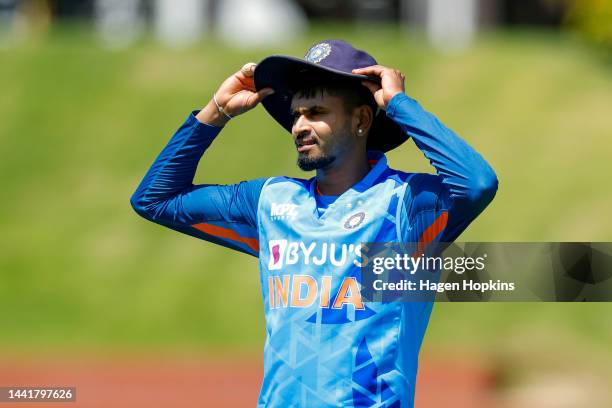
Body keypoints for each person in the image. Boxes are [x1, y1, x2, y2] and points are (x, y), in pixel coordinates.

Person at [131, 40, 498, 407]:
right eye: (296, 114)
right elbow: (155, 199)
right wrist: (216, 112)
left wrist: (399, 105)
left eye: (316, 112)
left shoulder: (406, 205)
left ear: (361, 120)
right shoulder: (270, 202)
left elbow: (476, 182)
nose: (299, 126)